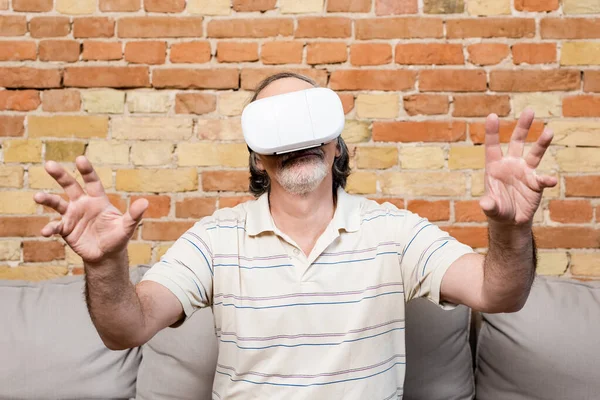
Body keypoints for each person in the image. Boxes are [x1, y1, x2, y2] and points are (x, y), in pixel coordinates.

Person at [34, 72, 557, 399]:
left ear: (335, 144)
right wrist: (105, 265)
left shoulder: (394, 232)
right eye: (274, 128)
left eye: (307, 121)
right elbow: (127, 329)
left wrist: (511, 231)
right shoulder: (216, 238)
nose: (294, 140)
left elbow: (499, 294)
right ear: (257, 154)